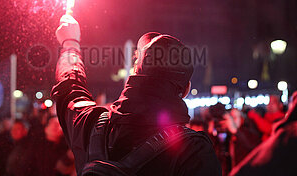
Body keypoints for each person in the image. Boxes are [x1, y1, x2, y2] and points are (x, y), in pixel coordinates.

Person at [51, 13, 221, 175]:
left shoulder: (91, 125)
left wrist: (70, 43)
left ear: (133, 74)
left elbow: (71, 87)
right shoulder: (194, 152)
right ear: (185, 90)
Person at [230, 91, 297, 176]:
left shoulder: (283, 123)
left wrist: (254, 116)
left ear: (280, 105)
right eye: (268, 103)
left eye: (273, 103)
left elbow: (268, 128)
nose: (270, 105)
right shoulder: (264, 118)